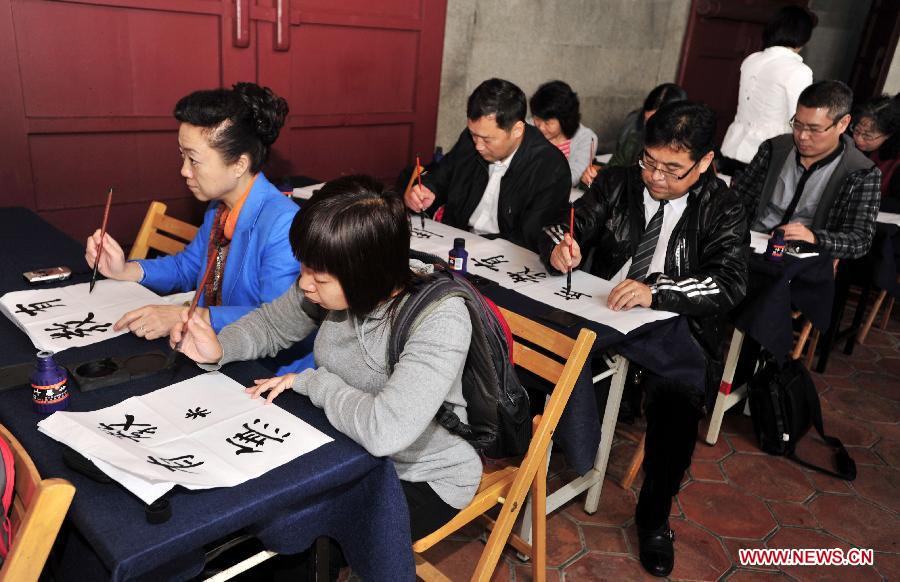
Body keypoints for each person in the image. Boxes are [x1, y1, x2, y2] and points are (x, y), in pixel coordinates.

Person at [172, 175, 481, 541]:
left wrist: (311, 382)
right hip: (345, 449)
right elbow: (271, 325)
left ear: (365, 274)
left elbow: (386, 432)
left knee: (297, 536)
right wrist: (221, 348)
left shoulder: (440, 319)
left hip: (421, 474)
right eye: (303, 268)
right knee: (250, 512)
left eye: (318, 277)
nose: (305, 284)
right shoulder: (332, 285)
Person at [541, 101, 749, 577]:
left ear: (704, 162)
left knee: (677, 405)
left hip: (675, 325)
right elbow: (564, 221)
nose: (656, 177)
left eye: (673, 170)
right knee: (535, 347)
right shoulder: (619, 182)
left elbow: (729, 282)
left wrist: (658, 291)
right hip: (601, 305)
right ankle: (540, 456)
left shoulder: (725, 206)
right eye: (649, 162)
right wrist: (559, 245)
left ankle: (654, 518)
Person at [84, 83, 304, 344]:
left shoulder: (284, 224)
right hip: (213, 347)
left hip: (268, 370)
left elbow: (278, 321)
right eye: (182, 156)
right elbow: (187, 267)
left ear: (239, 164)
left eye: (194, 160)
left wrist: (187, 316)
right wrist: (125, 270)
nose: (184, 171)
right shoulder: (219, 207)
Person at [403, 78, 570, 252]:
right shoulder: (472, 138)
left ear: (517, 130)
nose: (478, 146)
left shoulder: (550, 167)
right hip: (455, 241)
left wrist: (480, 246)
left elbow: (531, 238)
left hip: (506, 255)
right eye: (474, 135)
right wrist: (426, 189)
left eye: (487, 139)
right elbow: (442, 173)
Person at [732, 80, 882, 260]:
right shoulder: (774, 149)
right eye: (797, 124)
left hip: (803, 259)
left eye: (814, 129)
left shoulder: (861, 172)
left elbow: (860, 241)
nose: (802, 136)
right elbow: (737, 202)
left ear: (842, 124)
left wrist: (815, 238)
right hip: (752, 246)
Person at [720, 6, 816, 175]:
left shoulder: (751, 59)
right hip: (766, 155)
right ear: (804, 37)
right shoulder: (798, 70)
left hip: (733, 146)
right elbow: (798, 118)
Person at [580, 83, 687, 186]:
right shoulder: (635, 140)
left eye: (656, 124)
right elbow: (614, 169)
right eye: (646, 121)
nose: (650, 129)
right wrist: (596, 175)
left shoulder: (685, 155)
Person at [529, 80, 598, 186]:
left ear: (565, 120)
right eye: (537, 119)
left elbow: (573, 176)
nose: (541, 127)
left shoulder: (585, 138)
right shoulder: (527, 128)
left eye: (548, 123)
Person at [852, 95, 900, 211]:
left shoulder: (895, 162)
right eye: (856, 130)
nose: (858, 139)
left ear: (888, 135)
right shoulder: (848, 142)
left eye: (867, 136)